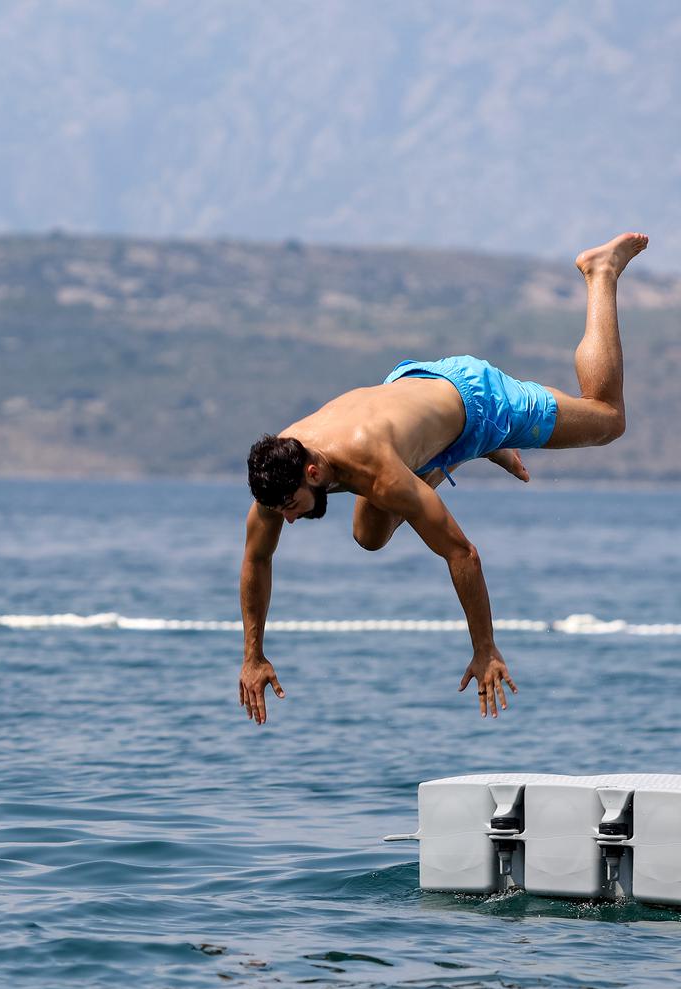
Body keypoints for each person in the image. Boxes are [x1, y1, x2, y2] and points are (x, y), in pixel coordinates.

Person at [238, 231, 649, 724]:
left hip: (478, 402)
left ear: (312, 470)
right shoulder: (278, 471)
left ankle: (600, 272)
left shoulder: (377, 470)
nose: (290, 519)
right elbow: (257, 557)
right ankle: (449, 455)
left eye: (291, 508)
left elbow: (461, 552)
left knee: (607, 417)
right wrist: (252, 656)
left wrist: (485, 649)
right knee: (368, 536)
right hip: (409, 387)